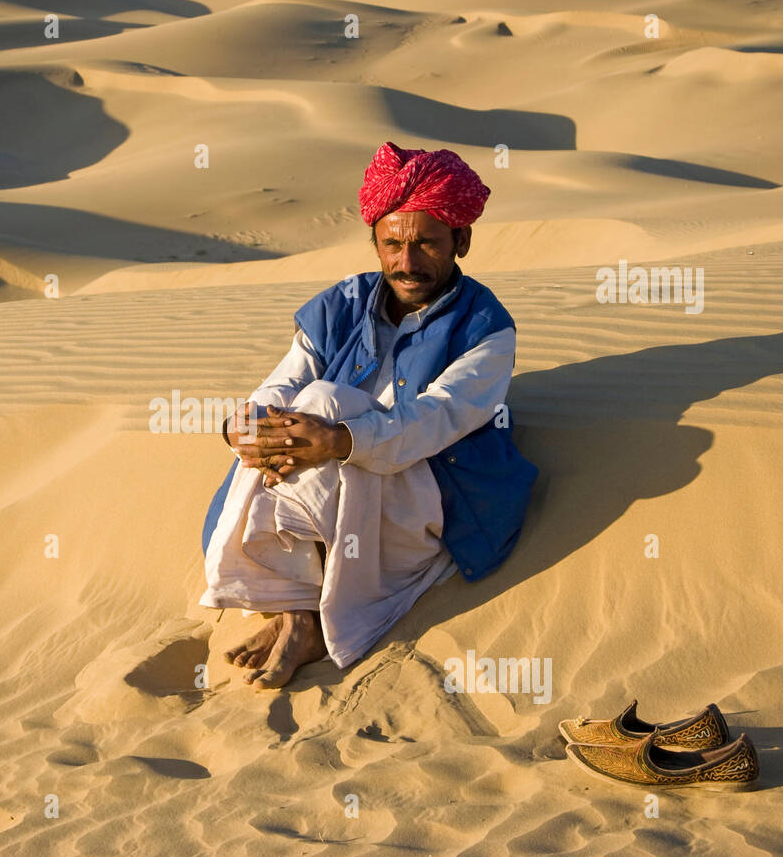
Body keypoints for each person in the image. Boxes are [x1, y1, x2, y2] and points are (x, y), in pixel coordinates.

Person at [198, 141, 538, 688]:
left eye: (427, 244)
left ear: (462, 240)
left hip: (429, 491)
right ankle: (298, 612)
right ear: (375, 243)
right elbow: (282, 384)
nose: (408, 263)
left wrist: (340, 439)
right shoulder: (342, 304)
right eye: (393, 244)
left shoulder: (486, 329)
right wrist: (248, 431)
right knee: (285, 414)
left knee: (327, 403)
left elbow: (438, 418)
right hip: (325, 483)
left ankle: (302, 613)